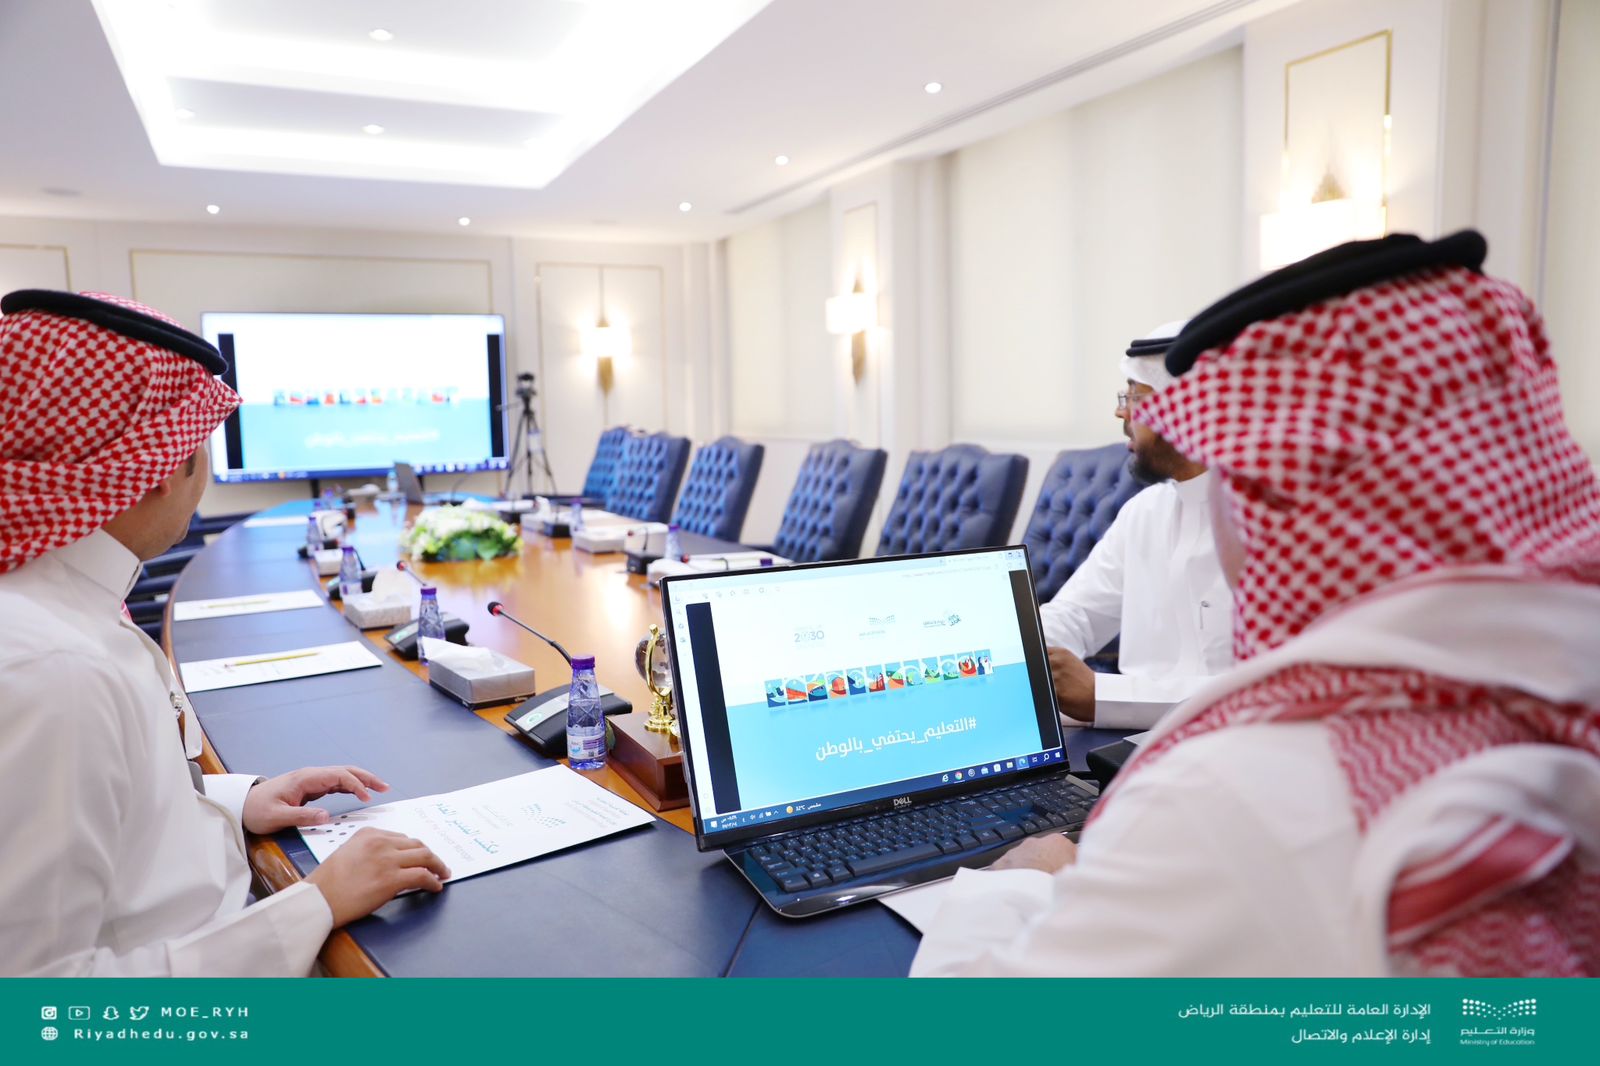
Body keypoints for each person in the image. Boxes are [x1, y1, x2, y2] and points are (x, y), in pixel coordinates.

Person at [912, 232, 1600, 977]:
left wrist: (1016, 884)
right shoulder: (1559, 695)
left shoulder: (1231, 797)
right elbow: (1070, 619)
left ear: (1271, 479)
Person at [0, 289, 451, 977]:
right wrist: (314, 904)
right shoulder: (55, 672)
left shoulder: (58, 603)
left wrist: (237, 801)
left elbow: (107, 819)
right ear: (161, 466)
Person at [1039, 321, 1234, 729]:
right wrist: (1013, 653)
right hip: (1128, 745)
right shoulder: (1145, 510)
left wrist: (1103, 696)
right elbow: (1076, 614)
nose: (1121, 412)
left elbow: (1266, 689)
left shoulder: (1271, 523)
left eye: (1134, 397)